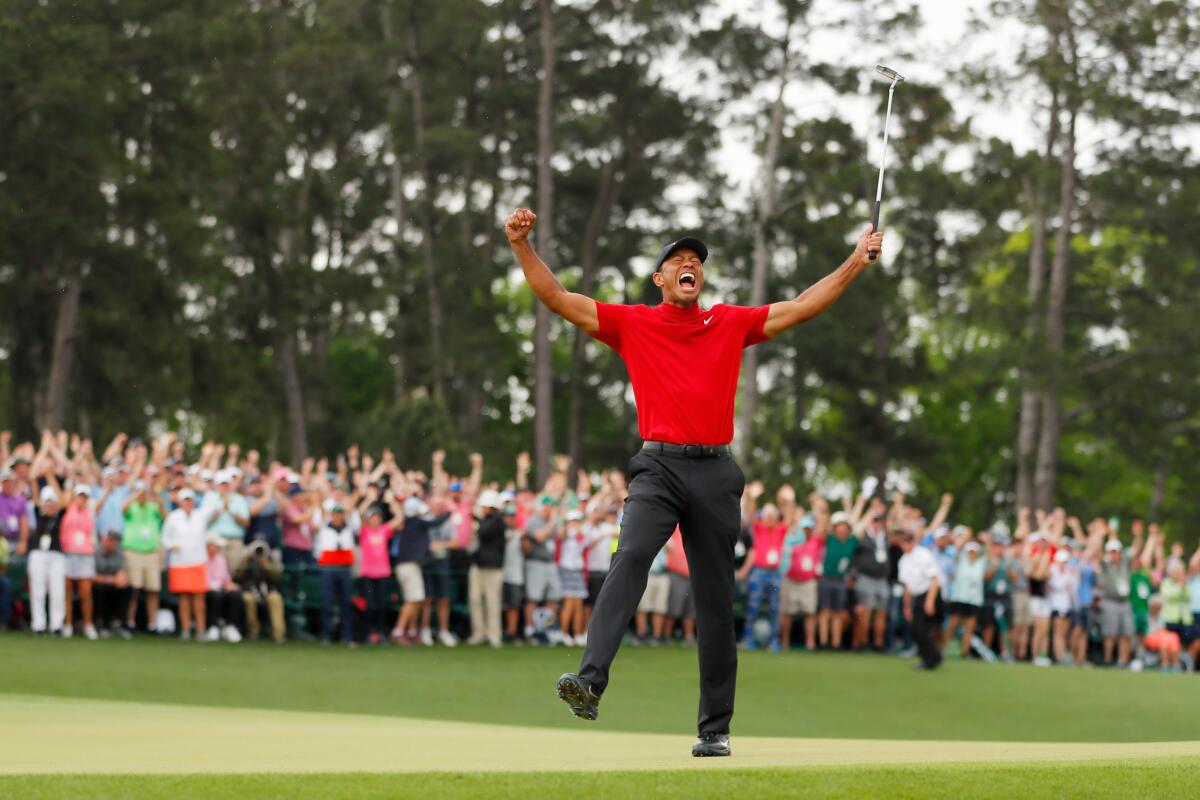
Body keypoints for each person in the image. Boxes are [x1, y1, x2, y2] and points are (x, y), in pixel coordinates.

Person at [510, 203, 885, 756]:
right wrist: (521, 245)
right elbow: (559, 299)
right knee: (631, 554)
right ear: (660, 278)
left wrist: (855, 260)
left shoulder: (728, 322)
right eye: (677, 260)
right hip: (658, 468)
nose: (689, 265)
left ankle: (714, 730)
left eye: (695, 261)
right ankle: (590, 682)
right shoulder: (633, 322)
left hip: (715, 471)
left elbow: (803, 307)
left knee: (714, 598)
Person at [161, 488, 218, 641]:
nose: (188, 502)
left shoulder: (200, 515)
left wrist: (200, 485)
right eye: (185, 500)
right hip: (179, 563)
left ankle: (200, 630)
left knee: (199, 599)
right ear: (180, 502)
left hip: (198, 561)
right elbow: (165, 538)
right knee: (184, 598)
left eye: (190, 499)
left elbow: (213, 502)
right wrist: (171, 545)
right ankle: (185, 629)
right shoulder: (173, 517)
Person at [740, 491, 787, 652]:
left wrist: (785, 501)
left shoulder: (780, 530)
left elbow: (787, 516)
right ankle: (748, 639)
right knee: (753, 606)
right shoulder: (758, 528)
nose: (769, 519)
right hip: (758, 572)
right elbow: (751, 514)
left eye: (772, 516)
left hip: (774, 574)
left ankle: (774, 641)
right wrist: (753, 498)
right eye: (766, 515)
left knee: (774, 608)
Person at [121, 480, 166, 632]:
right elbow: (123, 508)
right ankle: (130, 622)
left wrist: (155, 495)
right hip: (133, 552)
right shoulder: (131, 506)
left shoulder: (153, 506)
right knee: (134, 589)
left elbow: (165, 515)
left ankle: (152, 624)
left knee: (153, 590)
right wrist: (136, 495)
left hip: (151, 552)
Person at [21, 485, 67, 634]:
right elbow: (35, 498)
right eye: (47, 502)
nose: (49, 505)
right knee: (38, 590)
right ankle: (38, 625)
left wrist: (49, 476)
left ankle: (56, 625)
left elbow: (64, 502)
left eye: (52, 502)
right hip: (38, 554)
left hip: (56, 555)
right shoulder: (36, 513)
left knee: (57, 591)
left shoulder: (60, 515)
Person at [897, 530, 944, 670]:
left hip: (931, 593)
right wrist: (906, 606)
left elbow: (934, 580)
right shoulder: (903, 561)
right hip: (918, 596)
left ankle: (930, 659)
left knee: (922, 629)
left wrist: (929, 602)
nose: (907, 545)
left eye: (909, 541)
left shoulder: (923, 554)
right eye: (904, 542)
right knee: (917, 629)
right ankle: (933, 657)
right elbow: (907, 587)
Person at [313, 501, 357, 646]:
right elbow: (318, 509)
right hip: (328, 568)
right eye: (335, 514)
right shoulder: (324, 527)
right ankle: (326, 636)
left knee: (346, 604)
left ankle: (347, 636)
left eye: (340, 514)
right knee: (327, 604)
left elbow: (353, 507)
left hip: (344, 568)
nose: (337, 517)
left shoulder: (349, 528)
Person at [467, 490, 507, 647]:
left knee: (492, 601)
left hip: (493, 568)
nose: (484, 509)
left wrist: (476, 519)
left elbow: (484, 532)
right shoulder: (485, 520)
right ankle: (479, 633)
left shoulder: (497, 520)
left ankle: (494, 634)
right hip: (478, 565)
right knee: (475, 600)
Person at [850, 504, 891, 652]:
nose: (877, 524)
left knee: (881, 612)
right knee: (864, 612)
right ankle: (860, 642)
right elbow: (856, 528)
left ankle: (878, 643)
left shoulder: (884, 537)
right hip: (866, 578)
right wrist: (871, 511)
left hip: (881, 580)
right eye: (874, 521)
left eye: (879, 521)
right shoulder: (863, 534)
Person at [778, 514, 822, 651]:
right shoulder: (791, 540)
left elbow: (823, 525)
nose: (807, 531)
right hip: (790, 580)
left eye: (809, 528)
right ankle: (784, 642)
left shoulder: (816, 540)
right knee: (787, 612)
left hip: (808, 582)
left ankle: (810, 643)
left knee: (810, 612)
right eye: (804, 528)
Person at [356, 500, 398, 646]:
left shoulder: (384, 530)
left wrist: (393, 500)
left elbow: (399, 518)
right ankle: (369, 632)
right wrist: (369, 498)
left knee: (382, 605)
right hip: (367, 573)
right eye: (372, 517)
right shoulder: (364, 531)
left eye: (377, 516)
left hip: (382, 573)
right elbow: (359, 514)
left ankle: (380, 632)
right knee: (369, 605)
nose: (375, 519)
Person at [60, 484, 99, 640]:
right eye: (79, 496)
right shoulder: (67, 509)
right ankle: (67, 624)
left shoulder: (91, 512)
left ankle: (88, 624)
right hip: (69, 553)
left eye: (85, 497)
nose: (82, 499)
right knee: (67, 591)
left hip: (85, 555)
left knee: (86, 592)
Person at [522, 498, 562, 643]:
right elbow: (539, 537)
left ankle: (547, 627)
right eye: (549, 506)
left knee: (554, 595)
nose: (551, 509)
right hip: (536, 562)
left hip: (550, 562)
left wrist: (557, 520)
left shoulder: (553, 521)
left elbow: (561, 536)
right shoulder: (534, 521)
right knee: (533, 597)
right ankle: (529, 629)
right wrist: (552, 521)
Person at [236, 538, 286, 644]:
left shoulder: (270, 560)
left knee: (276, 599)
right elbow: (237, 576)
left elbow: (277, 578)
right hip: (251, 590)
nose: (259, 553)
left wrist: (266, 565)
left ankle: (279, 634)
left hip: (268, 590)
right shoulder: (247, 561)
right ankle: (253, 631)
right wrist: (245, 560)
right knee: (248, 599)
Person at [817, 512, 855, 651]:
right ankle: (823, 642)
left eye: (844, 527)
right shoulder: (830, 539)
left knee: (838, 612)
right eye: (839, 527)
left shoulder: (852, 541)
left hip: (841, 580)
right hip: (827, 578)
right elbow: (821, 529)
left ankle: (836, 643)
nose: (842, 530)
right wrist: (823, 511)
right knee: (825, 610)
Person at [945, 541, 985, 658]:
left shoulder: (981, 563)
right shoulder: (960, 561)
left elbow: (988, 552)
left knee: (970, 627)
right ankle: (944, 647)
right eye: (970, 552)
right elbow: (957, 549)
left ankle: (965, 652)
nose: (972, 554)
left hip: (974, 600)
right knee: (953, 624)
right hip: (959, 598)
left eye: (974, 552)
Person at [557, 510, 589, 646]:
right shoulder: (565, 533)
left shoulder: (580, 535)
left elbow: (585, 543)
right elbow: (561, 535)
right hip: (567, 570)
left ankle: (577, 634)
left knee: (578, 605)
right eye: (572, 521)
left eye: (577, 520)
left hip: (577, 571)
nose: (575, 523)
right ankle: (564, 634)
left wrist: (580, 531)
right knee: (569, 604)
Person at [203, 534, 243, 643]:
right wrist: (211, 586)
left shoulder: (221, 559)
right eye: (216, 546)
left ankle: (231, 626)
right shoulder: (200, 559)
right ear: (208, 546)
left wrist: (229, 585)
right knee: (217, 595)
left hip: (220, 588)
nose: (218, 549)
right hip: (205, 590)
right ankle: (213, 627)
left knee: (235, 594)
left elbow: (226, 579)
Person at [92, 531, 131, 639]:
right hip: (100, 584)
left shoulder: (119, 552)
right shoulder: (96, 552)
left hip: (113, 583)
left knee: (126, 588)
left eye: (115, 541)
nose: (112, 543)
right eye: (110, 540)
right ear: (104, 540)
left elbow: (122, 574)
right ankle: (101, 623)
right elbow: (93, 576)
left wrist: (118, 579)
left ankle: (119, 623)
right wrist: (111, 580)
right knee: (99, 589)